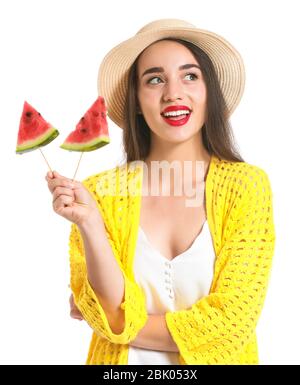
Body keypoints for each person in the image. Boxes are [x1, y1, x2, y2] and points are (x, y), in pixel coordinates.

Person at [46, 19, 276, 365]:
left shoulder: (246, 186)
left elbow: (231, 324)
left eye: (190, 76)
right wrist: (90, 224)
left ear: (207, 91)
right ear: (136, 100)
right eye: (154, 79)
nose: (173, 93)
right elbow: (106, 307)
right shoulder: (99, 194)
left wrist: (114, 322)